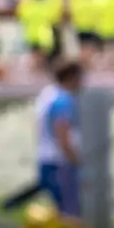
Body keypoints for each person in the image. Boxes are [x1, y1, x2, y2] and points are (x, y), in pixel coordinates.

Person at [35, 60, 84, 219]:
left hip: (44, 160)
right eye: (80, 78)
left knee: (60, 211)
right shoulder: (64, 101)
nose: (83, 83)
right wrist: (79, 161)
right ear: (71, 78)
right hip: (60, 164)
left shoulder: (47, 94)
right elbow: (63, 139)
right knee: (70, 215)